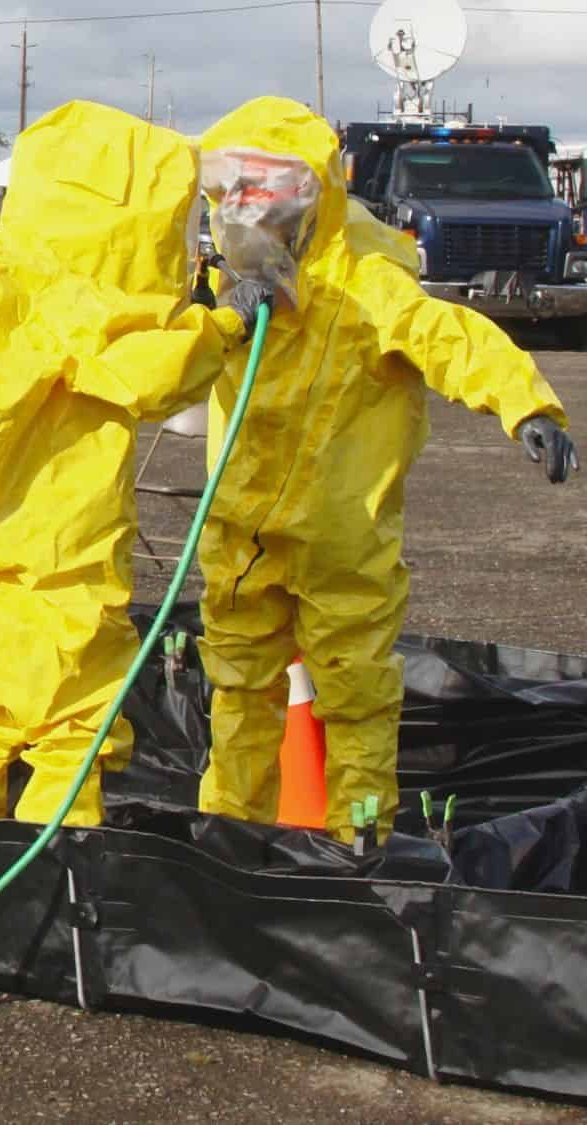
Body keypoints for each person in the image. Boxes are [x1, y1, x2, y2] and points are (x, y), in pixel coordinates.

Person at [0, 100, 266, 827]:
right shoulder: (80, 300)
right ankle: (52, 894)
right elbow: (160, 375)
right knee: (75, 733)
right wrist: (231, 319)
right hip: (54, 564)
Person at [194, 97, 574, 843]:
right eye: (233, 192)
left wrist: (528, 404)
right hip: (240, 537)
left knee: (358, 702)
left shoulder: (365, 281)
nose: (248, 212)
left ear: (314, 196)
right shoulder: (230, 293)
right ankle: (229, 839)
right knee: (238, 695)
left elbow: (448, 335)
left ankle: (360, 843)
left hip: (341, 543)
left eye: (267, 192)